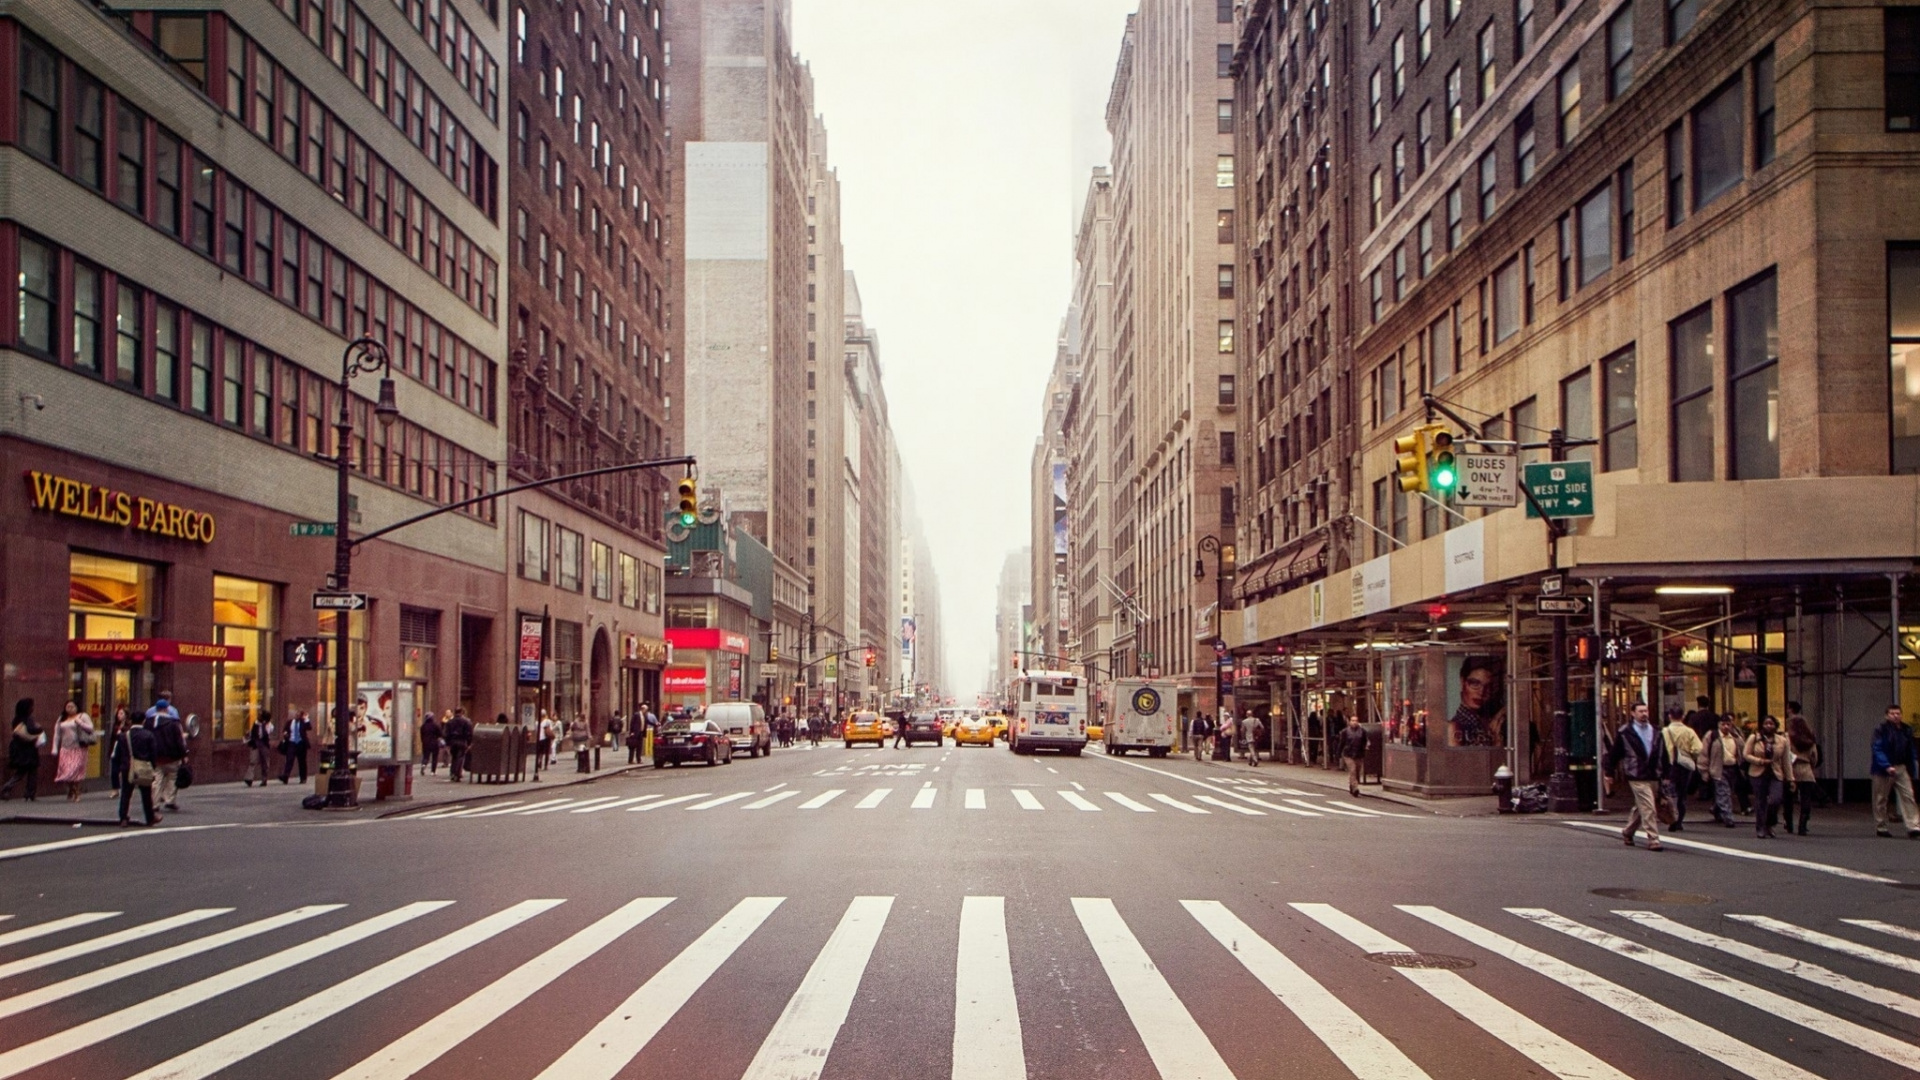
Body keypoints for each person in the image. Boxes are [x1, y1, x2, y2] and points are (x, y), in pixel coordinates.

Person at [1605, 701, 1670, 851]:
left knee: (1642, 806)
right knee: (1648, 806)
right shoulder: (1625, 732)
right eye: (1640, 711)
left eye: (1646, 711)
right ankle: (1653, 839)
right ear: (1633, 713)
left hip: (1654, 773)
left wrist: (1666, 772)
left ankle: (1628, 831)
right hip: (1636, 774)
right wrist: (1609, 772)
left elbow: (1663, 753)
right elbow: (1614, 754)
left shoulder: (1656, 731)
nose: (1644, 714)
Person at [1870, 705, 1920, 838]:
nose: (1896, 716)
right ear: (1887, 716)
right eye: (1892, 714)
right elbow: (1877, 748)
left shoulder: (1906, 730)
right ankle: (1881, 826)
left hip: (1901, 766)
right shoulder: (1881, 730)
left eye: (1898, 713)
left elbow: (1911, 749)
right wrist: (1886, 765)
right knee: (1881, 798)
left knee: (1908, 796)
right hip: (1884, 769)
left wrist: (1913, 763)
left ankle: (1914, 826)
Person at [1744, 715, 1791, 840]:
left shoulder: (1782, 740)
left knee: (1776, 799)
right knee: (1760, 801)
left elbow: (1786, 761)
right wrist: (1760, 761)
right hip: (1757, 773)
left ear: (1775, 726)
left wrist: (1790, 778)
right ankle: (1761, 828)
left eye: (1771, 724)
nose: (1769, 726)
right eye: (1766, 724)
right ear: (1762, 725)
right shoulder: (1754, 738)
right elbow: (1746, 754)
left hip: (1775, 773)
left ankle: (1769, 823)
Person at [1660, 703, 1701, 832]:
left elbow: (1659, 749)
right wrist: (1689, 754)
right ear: (1683, 716)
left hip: (1669, 766)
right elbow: (1698, 748)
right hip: (1685, 765)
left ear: (1669, 716)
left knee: (1670, 794)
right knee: (1682, 794)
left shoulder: (1664, 731)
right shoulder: (1689, 731)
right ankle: (1679, 821)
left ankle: (1672, 818)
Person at [145, 692, 187, 812]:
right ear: (166, 709)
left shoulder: (149, 721)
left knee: (157, 780)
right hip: (172, 756)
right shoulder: (173, 723)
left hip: (156, 756)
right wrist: (184, 754)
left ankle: (155, 803)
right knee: (172, 778)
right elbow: (179, 740)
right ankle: (170, 800)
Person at [1450, 658, 1505, 747]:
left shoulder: (1492, 721)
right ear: (1462, 681)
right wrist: (1497, 743)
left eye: (1488, 686)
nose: (1481, 692)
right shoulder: (1454, 727)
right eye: (1475, 684)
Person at [117, 719, 160, 827]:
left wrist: (120, 767)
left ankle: (123, 818)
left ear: (131, 721)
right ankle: (149, 818)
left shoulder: (124, 736)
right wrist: (152, 767)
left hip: (127, 767)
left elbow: (119, 753)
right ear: (143, 721)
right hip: (143, 767)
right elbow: (153, 753)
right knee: (146, 793)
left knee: (126, 793)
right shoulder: (148, 735)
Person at [1701, 714, 1742, 827]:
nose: (1725, 727)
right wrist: (1704, 770)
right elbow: (1704, 753)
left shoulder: (1735, 736)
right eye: (1723, 724)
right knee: (1724, 792)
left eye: (1728, 724)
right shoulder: (1712, 736)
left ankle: (1716, 808)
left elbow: (1741, 750)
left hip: (1732, 767)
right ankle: (1728, 817)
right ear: (1718, 725)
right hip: (1718, 768)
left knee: (1727, 791)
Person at [1785, 711, 1820, 836]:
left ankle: (1789, 824)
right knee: (1806, 799)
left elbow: (1785, 754)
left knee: (1788, 799)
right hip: (1806, 771)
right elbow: (1814, 757)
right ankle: (1803, 825)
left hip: (1791, 770)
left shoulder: (1787, 738)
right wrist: (1810, 766)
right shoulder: (1810, 739)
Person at [53, 701, 94, 803]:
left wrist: (80, 723)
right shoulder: (62, 718)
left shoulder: (82, 716)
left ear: (77, 707)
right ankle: (71, 789)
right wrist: (54, 748)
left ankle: (77, 793)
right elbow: (57, 734)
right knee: (66, 772)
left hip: (78, 748)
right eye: (68, 706)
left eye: (72, 706)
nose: (70, 708)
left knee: (74, 771)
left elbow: (90, 728)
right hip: (65, 749)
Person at [2, 699, 42, 802]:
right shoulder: (20, 720)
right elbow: (23, 734)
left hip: (28, 748)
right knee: (23, 771)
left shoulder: (26, 719)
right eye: (31, 706)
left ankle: (30, 793)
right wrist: (35, 735)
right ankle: (7, 788)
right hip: (23, 749)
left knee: (31, 771)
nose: (32, 708)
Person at [1337, 714, 1368, 797]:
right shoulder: (1345, 732)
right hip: (1348, 754)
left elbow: (1364, 742)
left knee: (1357, 772)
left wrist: (1364, 750)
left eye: (1356, 721)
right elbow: (1341, 743)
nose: (1354, 722)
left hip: (1359, 754)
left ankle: (1352, 785)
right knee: (1352, 770)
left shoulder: (1363, 731)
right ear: (1350, 722)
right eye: (1352, 720)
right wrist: (1339, 753)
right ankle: (1355, 788)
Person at [243, 711, 275, 787]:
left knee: (265, 762)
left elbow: (269, 731)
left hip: (264, 744)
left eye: (260, 715)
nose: (258, 716)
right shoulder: (256, 723)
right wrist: (248, 735)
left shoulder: (269, 725)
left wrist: (265, 724)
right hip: (255, 744)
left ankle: (264, 779)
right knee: (253, 760)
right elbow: (252, 733)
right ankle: (249, 778)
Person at [280, 710, 311, 784]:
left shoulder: (303, 722)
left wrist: (306, 718)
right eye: (296, 714)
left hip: (301, 743)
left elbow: (309, 727)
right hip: (292, 743)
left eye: (299, 715)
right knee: (289, 759)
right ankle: (285, 776)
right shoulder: (290, 722)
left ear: (301, 716)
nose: (297, 716)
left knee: (302, 761)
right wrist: (285, 733)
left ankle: (303, 778)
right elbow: (285, 730)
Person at [106, 707, 132, 795]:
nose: (119, 716)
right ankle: (115, 788)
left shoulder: (129, 726)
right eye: (118, 714)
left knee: (125, 769)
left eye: (121, 713)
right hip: (116, 748)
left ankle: (126, 787)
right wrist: (110, 751)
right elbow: (112, 739)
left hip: (125, 749)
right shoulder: (115, 726)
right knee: (114, 770)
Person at [444, 709, 475, 781]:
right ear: (462, 713)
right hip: (462, 741)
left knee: (454, 757)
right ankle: (457, 774)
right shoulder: (466, 722)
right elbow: (469, 733)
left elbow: (446, 734)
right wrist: (469, 743)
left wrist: (447, 744)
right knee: (460, 758)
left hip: (453, 742)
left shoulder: (450, 722)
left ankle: (452, 773)